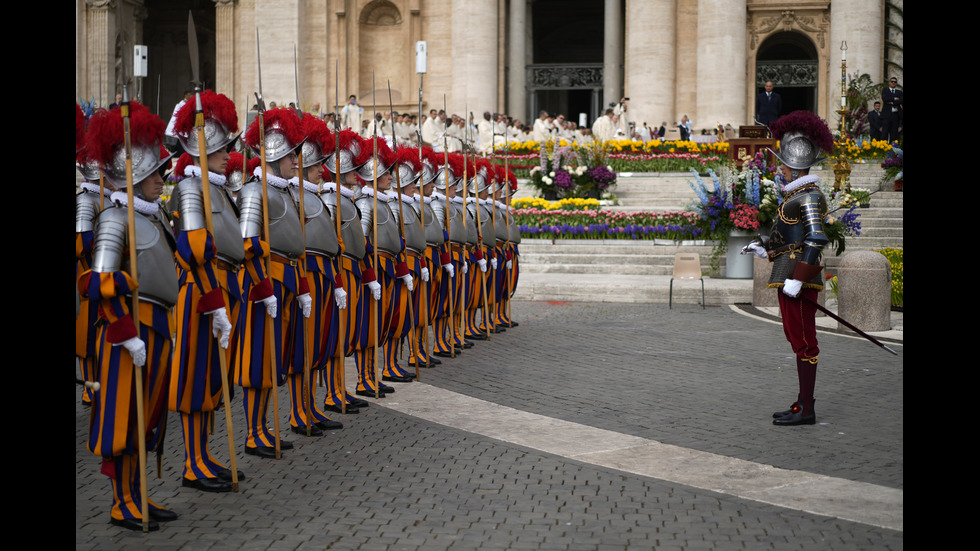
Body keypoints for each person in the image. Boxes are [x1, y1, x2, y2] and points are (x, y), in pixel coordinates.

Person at [80, 100, 177, 531]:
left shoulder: (155, 216)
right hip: (127, 333)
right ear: (135, 177)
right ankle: (122, 502)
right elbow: (94, 282)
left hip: (155, 326)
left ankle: (139, 493)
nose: (162, 179)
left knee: (148, 415)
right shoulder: (115, 219)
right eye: (155, 173)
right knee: (123, 418)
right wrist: (124, 325)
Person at [168, 89, 244, 492]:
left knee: (213, 378)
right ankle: (192, 462)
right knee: (195, 378)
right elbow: (193, 247)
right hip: (199, 292)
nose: (227, 155)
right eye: (221, 149)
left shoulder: (212, 187)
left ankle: (204, 453)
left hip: (217, 287)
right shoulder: (190, 188)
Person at [742, 110, 833, 427]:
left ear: (794, 166)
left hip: (798, 278)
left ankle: (807, 409)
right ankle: (801, 402)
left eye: (783, 162)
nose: (779, 166)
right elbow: (790, 235)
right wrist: (765, 246)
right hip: (788, 273)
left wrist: (799, 278)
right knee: (796, 337)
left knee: (805, 340)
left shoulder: (808, 195)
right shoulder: (796, 195)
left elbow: (816, 237)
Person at [236, 106, 310, 458]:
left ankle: (264, 427)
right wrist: (263, 286)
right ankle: (252, 432)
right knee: (259, 361)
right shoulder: (255, 192)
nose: (296, 161)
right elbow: (247, 243)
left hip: (285, 281)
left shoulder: (285, 191)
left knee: (274, 358)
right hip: (264, 282)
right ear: (275, 155)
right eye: (290, 154)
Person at [880, 77, 903, 143]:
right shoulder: (885, 91)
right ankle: (883, 149)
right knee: (885, 134)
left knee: (894, 135)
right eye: (892, 81)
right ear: (889, 82)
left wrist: (891, 101)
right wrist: (895, 99)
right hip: (886, 115)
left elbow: (901, 100)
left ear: (896, 83)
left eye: (895, 82)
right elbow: (885, 99)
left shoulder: (899, 92)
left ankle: (893, 151)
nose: (893, 83)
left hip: (895, 115)